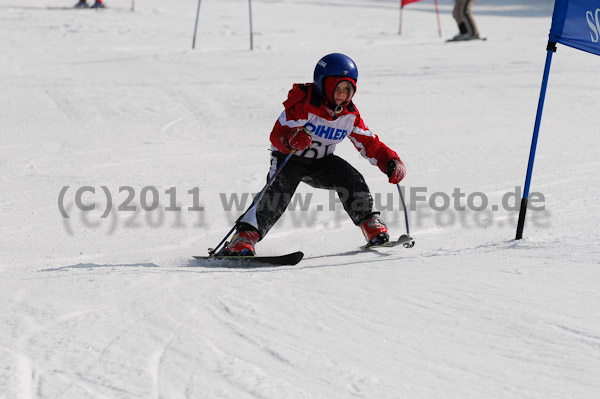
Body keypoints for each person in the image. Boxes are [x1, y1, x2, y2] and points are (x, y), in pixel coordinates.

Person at [219, 53, 407, 256]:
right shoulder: (302, 106)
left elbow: (370, 143)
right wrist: (291, 139)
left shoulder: (349, 115)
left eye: (348, 89)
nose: (342, 94)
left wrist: (390, 160)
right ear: (324, 85)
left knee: (351, 178)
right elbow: (277, 135)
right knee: (278, 192)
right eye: (338, 88)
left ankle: (371, 225)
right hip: (289, 159)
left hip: (322, 162)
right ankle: (244, 237)